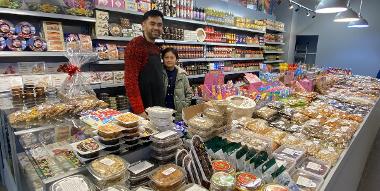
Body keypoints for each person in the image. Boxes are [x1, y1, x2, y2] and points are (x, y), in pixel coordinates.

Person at [124, 10, 165, 119]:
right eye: (152, 23)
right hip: (143, 109)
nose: (156, 27)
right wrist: (139, 110)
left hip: (156, 105)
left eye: (159, 25)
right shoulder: (136, 45)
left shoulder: (156, 48)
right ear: (143, 25)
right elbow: (130, 81)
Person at [162, 48, 193, 121]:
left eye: (172, 57)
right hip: (163, 112)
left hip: (178, 113)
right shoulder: (159, 74)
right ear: (163, 59)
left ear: (176, 59)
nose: (169, 60)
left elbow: (189, 93)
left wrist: (184, 106)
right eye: (166, 57)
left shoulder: (182, 75)